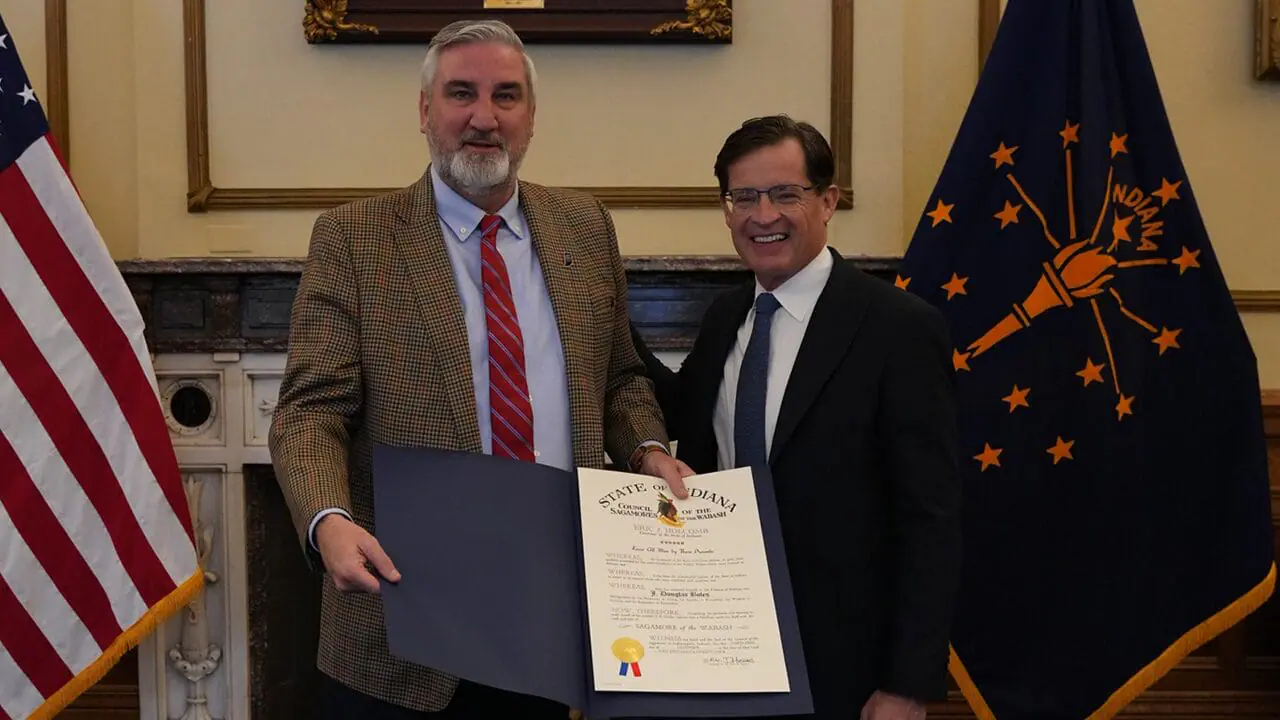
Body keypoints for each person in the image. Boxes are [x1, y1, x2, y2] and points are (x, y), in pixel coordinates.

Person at [268, 19, 691, 719]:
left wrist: (646, 447)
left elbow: (620, 378)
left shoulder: (586, 227)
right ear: (425, 111)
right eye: (461, 93)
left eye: (506, 96)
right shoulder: (352, 237)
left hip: (550, 608)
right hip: (402, 618)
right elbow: (312, 408)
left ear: (530, 117)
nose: (483, 117)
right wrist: (328, 519)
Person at [631, 115, 962, 720]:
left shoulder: (899, 327)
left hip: (847, 669)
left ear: (828, 200)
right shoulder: (725, 318)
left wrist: (908, 684)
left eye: (786, 194)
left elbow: (932, 521)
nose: (764, 215)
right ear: (726, 211)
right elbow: (676, 408)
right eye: (745, 197)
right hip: (719, 647)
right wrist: (594, 311)